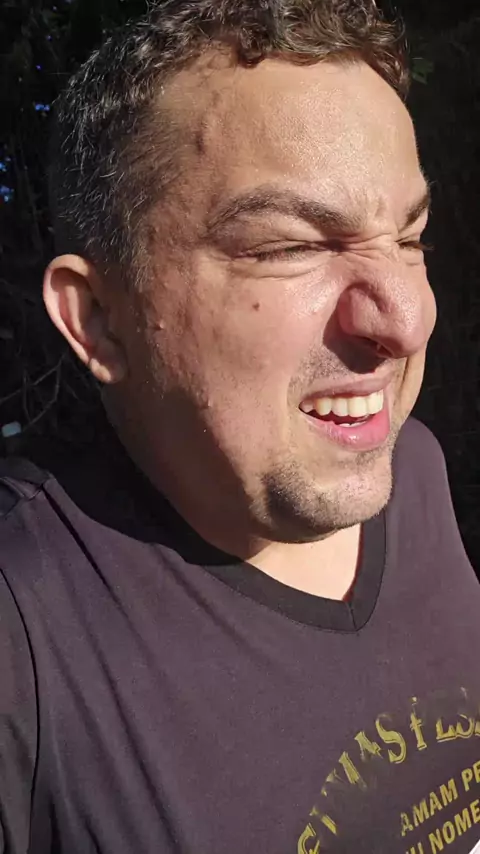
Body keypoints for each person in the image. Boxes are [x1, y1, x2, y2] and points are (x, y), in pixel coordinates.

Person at [1, 1, 479, 852]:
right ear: (100, 320)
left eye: (411, 239)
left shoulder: (415, 471)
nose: (409, 320)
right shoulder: (27, 631)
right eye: (291, 247)